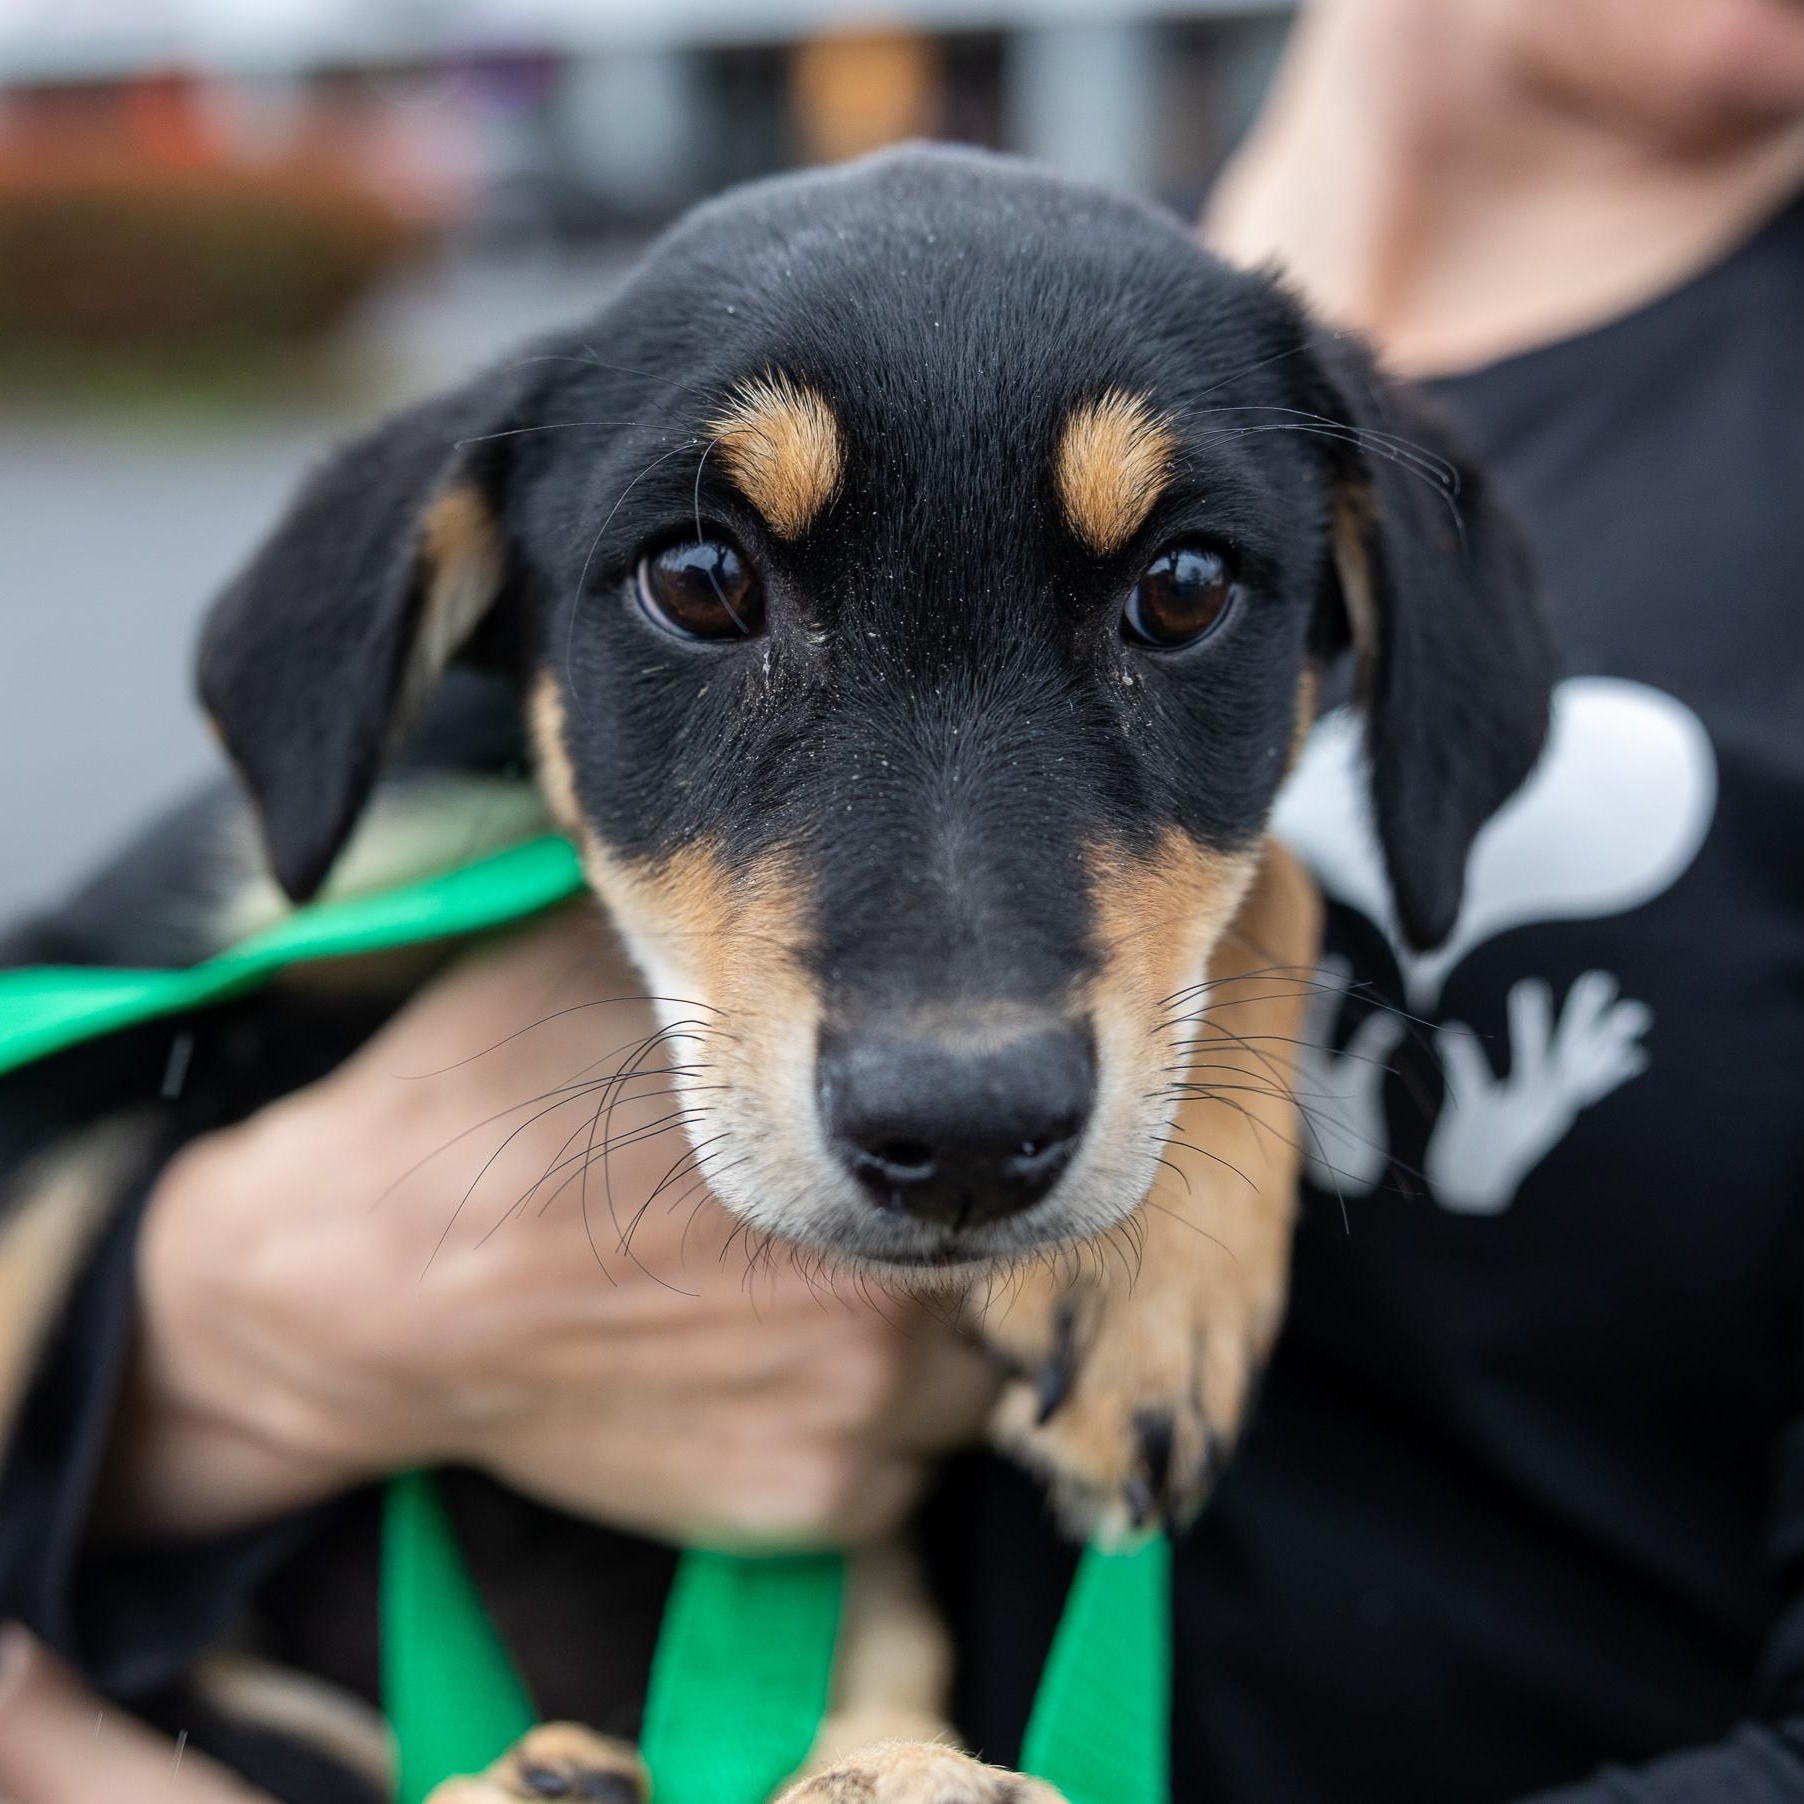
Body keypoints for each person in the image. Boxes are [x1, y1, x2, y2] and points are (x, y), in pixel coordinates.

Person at [6, 0, 1804, 1795]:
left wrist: (1263, 945)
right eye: (709, 583)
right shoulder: (918, 291)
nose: (963, 1036)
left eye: (1176, 596)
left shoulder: (1430, 459)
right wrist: (240, 1333)